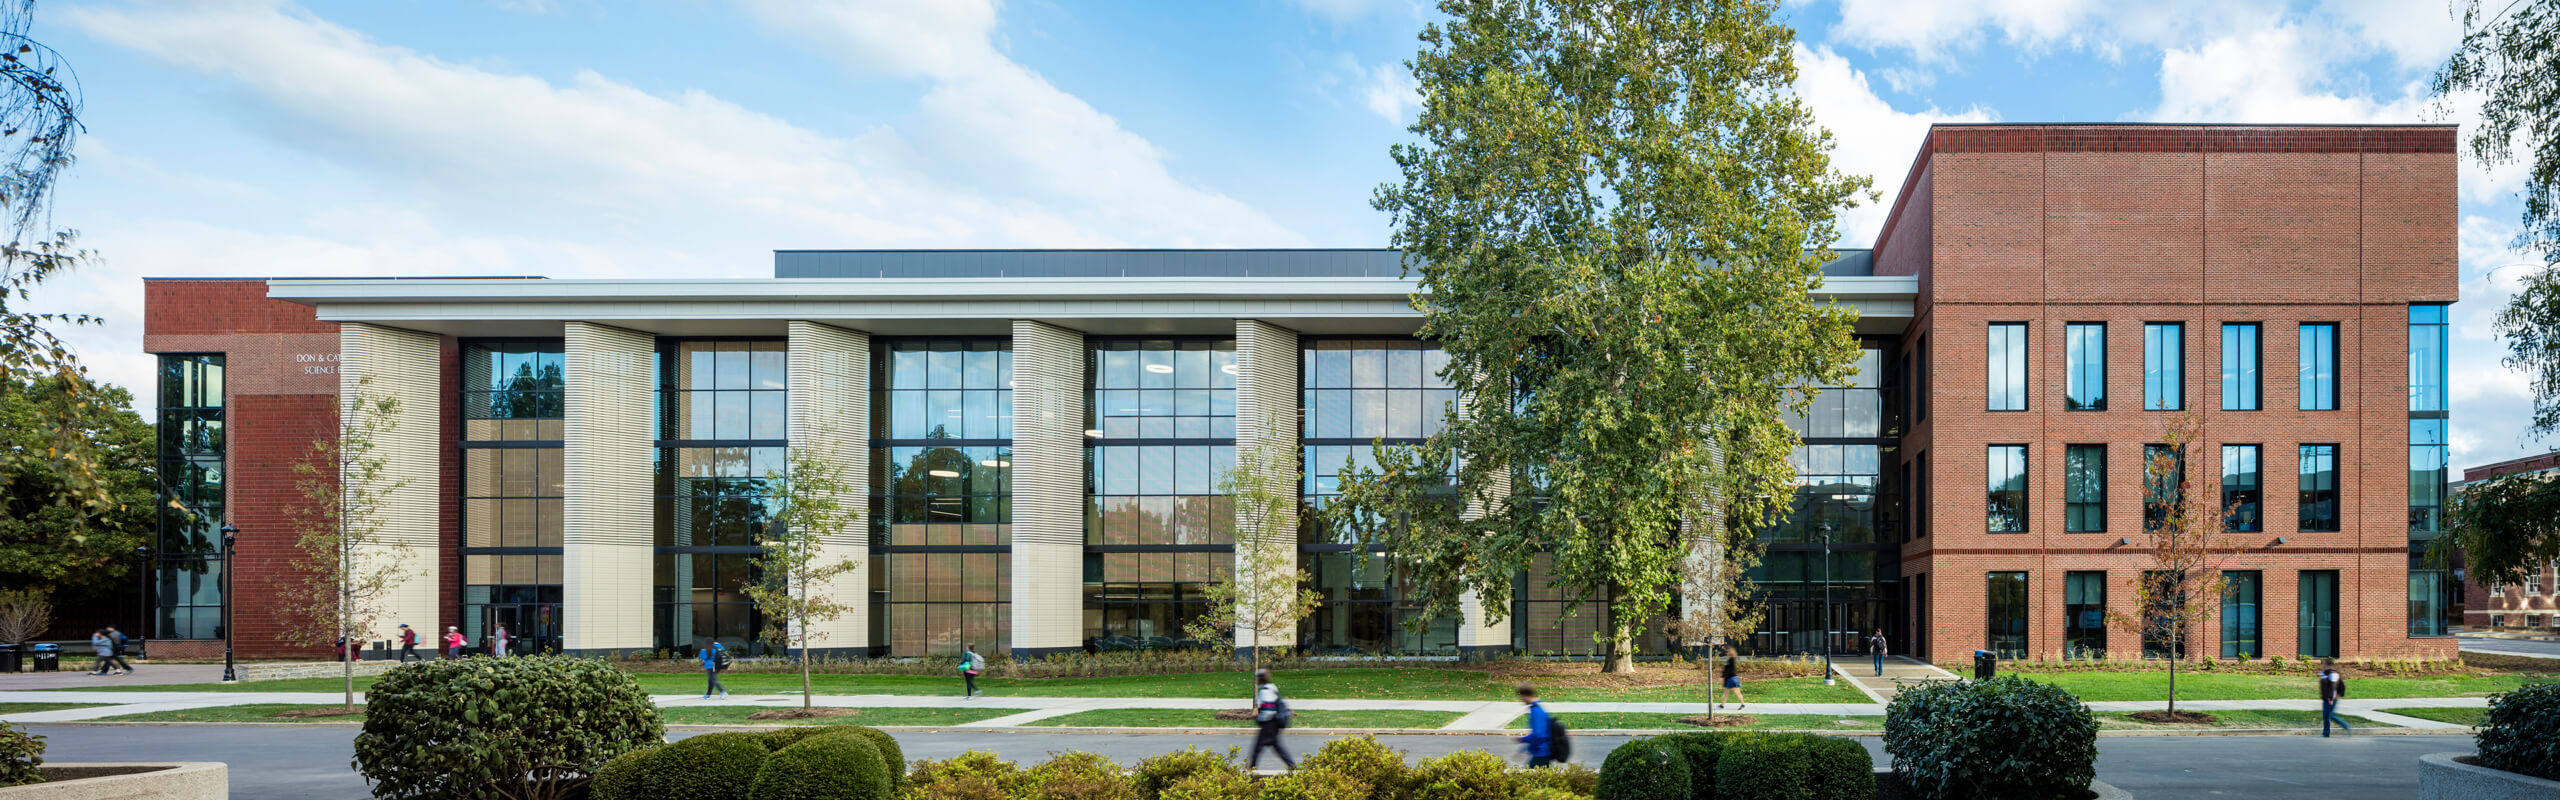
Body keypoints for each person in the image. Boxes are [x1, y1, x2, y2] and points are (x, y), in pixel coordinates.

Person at [1249, 668, 1294, 771]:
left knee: (1257, 748)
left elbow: (1269, 710)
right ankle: (1291, 765)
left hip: (1269, 724)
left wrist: (1259, 718)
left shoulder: (1265, 691)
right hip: (1273, 724)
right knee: (1277, 747)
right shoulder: (1270, 689)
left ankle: (1250, 771)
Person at [1516, 683, 1555, 768]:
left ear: (1526, 695)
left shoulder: (1536, 710)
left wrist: (1522, 739)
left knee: (1528, 777)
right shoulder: (1537, 708)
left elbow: (1538, 735)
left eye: (1521, 696)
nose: (1521, 699)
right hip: (1543, 752)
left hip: (1541, 753)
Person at [2318, 659, 2352, 737]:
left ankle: (2345, 726)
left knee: (2330, 715)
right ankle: (2326, 733)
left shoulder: (2333, 674)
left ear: (2327, 664)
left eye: (2324, 664)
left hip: (2332, 699)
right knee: (2326, 716)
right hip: (2326, 698)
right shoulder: (2326, 673)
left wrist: (2331, 698)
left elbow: (2333, 687)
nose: (2323, 665)